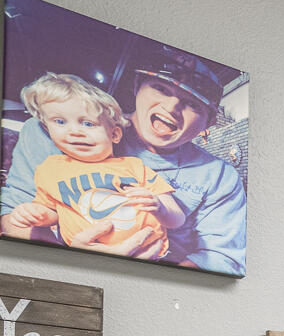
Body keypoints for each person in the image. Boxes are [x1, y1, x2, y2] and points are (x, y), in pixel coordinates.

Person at [0, 45, 247, 275]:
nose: (171, 107)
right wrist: (71, 258)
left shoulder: (220, 177)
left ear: (209, 122)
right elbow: (13, 215)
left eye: (193, 103)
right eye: (161, 88)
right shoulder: (56, 130)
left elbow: (222, 258)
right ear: (138, 85)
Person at [1, 73, 183, 255]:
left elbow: (177, 219)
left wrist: (160, 208)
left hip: (148, 255)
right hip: (83, 258)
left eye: (88, 123)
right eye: (60, 122)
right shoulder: (48, 170)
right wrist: (36, 215)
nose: (74, 131)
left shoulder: (134, 166)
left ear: (115, 135)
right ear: (48, 129)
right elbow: (53, 214)